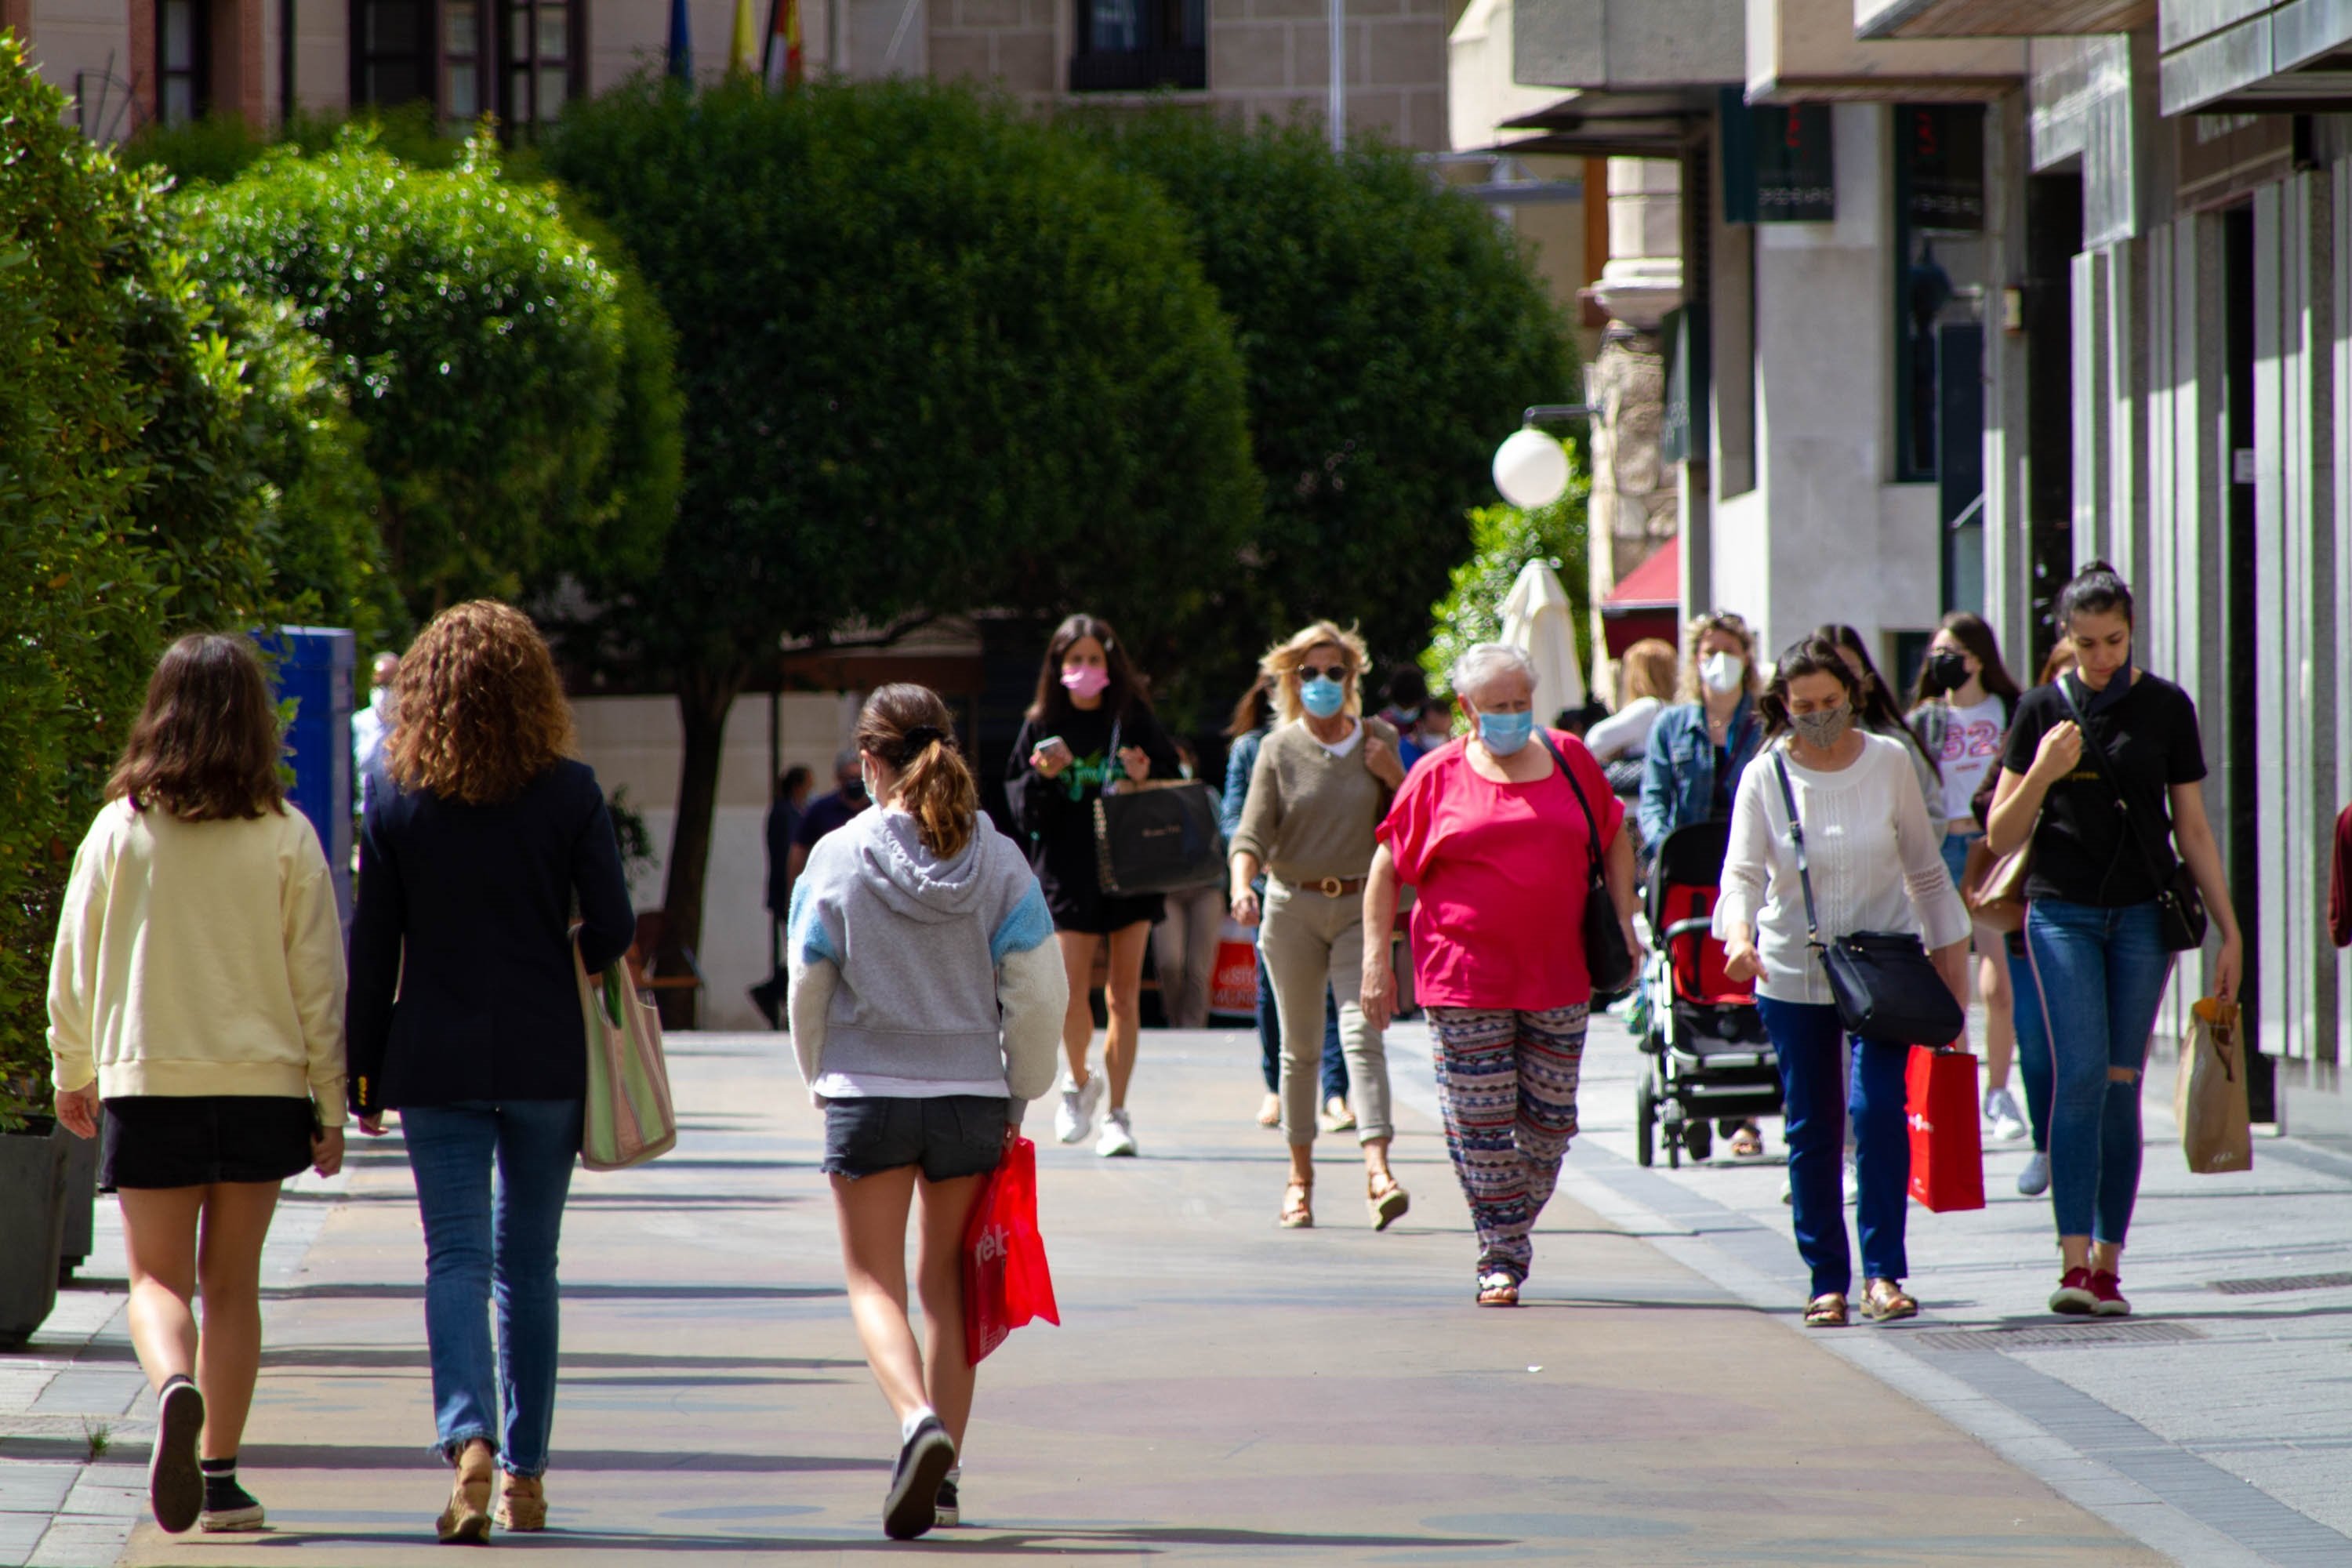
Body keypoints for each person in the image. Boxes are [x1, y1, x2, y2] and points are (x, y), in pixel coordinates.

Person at [347, 601, 635, 1544]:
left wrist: (360, 1074)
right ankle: (526, 1474)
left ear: (425, 692)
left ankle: (464, 1436)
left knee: (456, 1258)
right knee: (529, 1266)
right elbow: (616, 926)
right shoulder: (573, 792)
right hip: (548, 1053)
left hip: (433, 1054)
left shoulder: (395, 799)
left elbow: (372, 944)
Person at [46, 634, 347, 1537]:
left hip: (150, 1078)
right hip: (263, 1087)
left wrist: (73, 1065)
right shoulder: (288, 833)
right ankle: (218, 1479)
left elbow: (76, 959)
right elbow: (319, 982)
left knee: (154, 1276)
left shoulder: (121, 827)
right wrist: (328, 1103)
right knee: (236, 1285)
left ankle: (172, 1381)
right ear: (257, 723)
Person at [786, 684, 1064, 1540]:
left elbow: (807, 984)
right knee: (944, 1283)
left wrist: (817, 1076)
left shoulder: (836, 853)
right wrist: (1023, 1086)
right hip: (970, 1093)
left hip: (866, 1090)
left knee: (872, 1278)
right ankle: (946, 1482)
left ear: (870, 762)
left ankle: (916, 1422)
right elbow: (1040, 991)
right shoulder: (1000, 856)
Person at [1986, 562, 2242, 1318]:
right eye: (2088, 642)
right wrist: (2042, 771)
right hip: (2060, 910)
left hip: (2141, 914)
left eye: (2115, 640)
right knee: (2082, 1076)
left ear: (2133, 631)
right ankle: (2071, 1263)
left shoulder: (2166, 707)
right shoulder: (2040, 710)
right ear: (2066, 638)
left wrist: (2229, 930)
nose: (2103, 657)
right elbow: (2001, 833)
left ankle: (2108, 1264)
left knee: (2122, 1083)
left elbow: (2191, 827)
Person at [1363, 643, 1637, 1306]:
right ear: (1467, 709)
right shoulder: (1435, 774)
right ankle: (1501, 1255)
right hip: (1463, 978)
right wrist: (1376, 959)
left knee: (1550, 1125)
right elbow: (1386, 869)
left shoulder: (1571, 758)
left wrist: (1626, 920)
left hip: (1559, 972)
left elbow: (1614, 835)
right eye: (1498, 707)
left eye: (1522, 704)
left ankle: (1507, 1224)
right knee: (1481, 1124)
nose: (1512, 716)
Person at [1716, 635, 1970, 1329]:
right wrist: (1738, 937)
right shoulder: (1765, 775)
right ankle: (1826, 1279)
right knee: (1812, 1126)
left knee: (1877, 1111)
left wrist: (1954, 966)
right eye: (1804, 707)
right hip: (1792, 971)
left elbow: (1924, 869)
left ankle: (1883, 1274)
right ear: (1782, 706)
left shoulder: (1888, 762)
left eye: (1831, 703)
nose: (1820, 716)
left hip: (1883, 971)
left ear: (1854, 695)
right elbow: (1741, 873)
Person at [1229, 622, 1410, 1231]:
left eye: (1335, 672)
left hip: (1362, 905)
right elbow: (1250, 832)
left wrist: (1393, 775)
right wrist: (1240, 887)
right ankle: (1299, 1179)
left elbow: (1417, 818)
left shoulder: (1378, 739)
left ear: (1352, 678)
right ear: (1291, 679)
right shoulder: (1276, 749)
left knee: (1364, 1034)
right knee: (1300, 1049)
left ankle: (1378, 1171)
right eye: (1310, 673)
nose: (1323, 683)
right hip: (1291, 907)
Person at [1004, 614, 1181, 1158]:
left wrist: (1143, 776)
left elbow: (1174, 790)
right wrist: (1045, 775)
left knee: (1123, 996)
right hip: (1065, 872)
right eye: (1073, 660)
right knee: (1066, 993)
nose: (1083, 670)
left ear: (1111, 666)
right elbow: (1021, 812)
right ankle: (1079, 1083)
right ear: (1058, 667)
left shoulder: (1135, 720)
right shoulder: (1039, 725)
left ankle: (1118, 1115)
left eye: (1093, 660)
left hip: (1130, 872)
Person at [1640, 611, 1769, 1157]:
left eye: (1729, 649)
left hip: (1751, 867)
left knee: (1752, 974)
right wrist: (1665, 847)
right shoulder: (1671, 726)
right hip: (1689, 871)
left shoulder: (1764, 724)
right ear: (1694, 661)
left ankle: (1746, 1117)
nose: (1719, 660)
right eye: (1709, 650)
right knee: (1690, 963)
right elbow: (1653, 797)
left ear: (1746, 657)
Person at [1907, 614, 2029, 1143]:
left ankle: (1998, 1092)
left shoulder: (2011, 711)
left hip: (1989, 849)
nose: (1942, 661)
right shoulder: (1925, 720)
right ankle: (1954, 1084)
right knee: (1945, 978)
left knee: (1996, 979)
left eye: (1951, 651)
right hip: (1939, 850)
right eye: (1936, 652)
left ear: (1978, 657)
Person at [1222, 676, 1350, 1131]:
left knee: (1337, 994)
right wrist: (1253, 869)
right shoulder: (1252, 748)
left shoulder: (1342, 743)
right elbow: (1234, 820)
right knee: (1272, 992)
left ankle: (1335, 1094)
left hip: (1334, 888)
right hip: (1273, 891)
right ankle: (1275, 1088)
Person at [2001, 641, 2078, 1198]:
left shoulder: (2146, 713)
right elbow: (1995, 819)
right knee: (2034, 1031)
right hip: (2039, 907)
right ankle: (2048, 1149)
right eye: (2069, 668)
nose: (2087, 672)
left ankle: (2083, 1154)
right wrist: (2043, 774)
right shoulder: (2035, 719)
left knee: (2095, 1059)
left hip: (2123, 908)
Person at [1817, 624, 1946, 838]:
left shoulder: (1895, 746)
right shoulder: (1784, 751)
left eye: (1847, 671)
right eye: (1827, 672)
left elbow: (1931, 819)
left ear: (1867, 681)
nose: (1838, 684)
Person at [1152, 740, 1225, 1029]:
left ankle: (1192, 1028)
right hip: (1167, 891)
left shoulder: (1207, 796)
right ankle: (1176, 1022)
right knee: (1169, 963)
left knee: (1198, 968)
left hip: (1206, 888)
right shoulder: (1152, 798)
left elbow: (1225, 835)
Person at [750, 764, 815, 1028]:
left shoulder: (789, 812)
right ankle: (773, 992)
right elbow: (787, 857)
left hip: (789, 894)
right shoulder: (785, 814)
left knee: (798, 950)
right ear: (799, 786)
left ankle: (776, 993)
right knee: (801, 950)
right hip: (788, 894)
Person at [788, 751, 873, 888]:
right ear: (839, 779)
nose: (855, 783)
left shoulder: (876, 809)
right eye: (850, 778)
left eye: (859, 778)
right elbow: (800, 850)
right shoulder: (820, 810)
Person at [351, 651, 400, 811]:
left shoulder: (409, 725)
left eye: (389, 685)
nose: (384, 692)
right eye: (379, 684)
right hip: (363, 809)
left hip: (395, 809)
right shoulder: (358, 722)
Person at [1379, 666, 1436, 772]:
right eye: (1403, 705)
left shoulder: (1427, 722)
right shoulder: (1382, 725)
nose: (1407, 711)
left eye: (1411, 705)